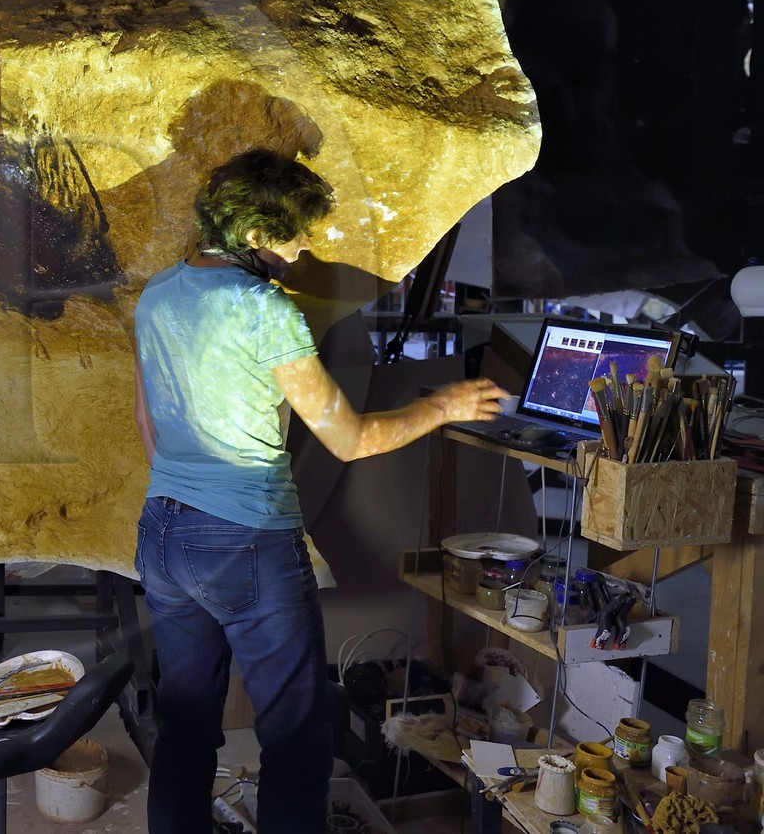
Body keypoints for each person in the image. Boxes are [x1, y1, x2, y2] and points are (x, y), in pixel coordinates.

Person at [131, 149, 504, 834]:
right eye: (293, 231)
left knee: (184, 730)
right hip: (244, 536)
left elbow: (147, 424)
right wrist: (443, 406)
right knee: (297, 741)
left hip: (162, 530)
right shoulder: (265, 310)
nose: (304, 247)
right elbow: (350, 440)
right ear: (252, 234)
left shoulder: (157, 293)